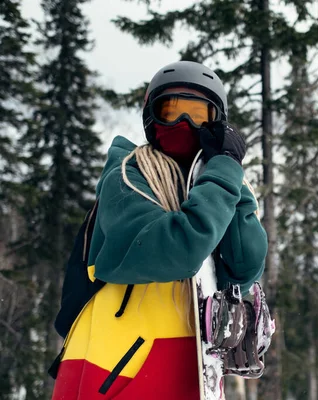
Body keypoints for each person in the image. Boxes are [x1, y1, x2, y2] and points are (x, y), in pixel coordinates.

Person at [51, 61, 267, 400]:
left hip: (190, 360)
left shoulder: (215, 183)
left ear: (217, 124)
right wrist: (223, 171)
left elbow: (245, 268)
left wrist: (226, 171)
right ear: (152, 117)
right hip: (115, 363)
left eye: (197, 114)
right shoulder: (127, 177)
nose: (183, 123)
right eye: (171, 110)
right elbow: (178, 249)